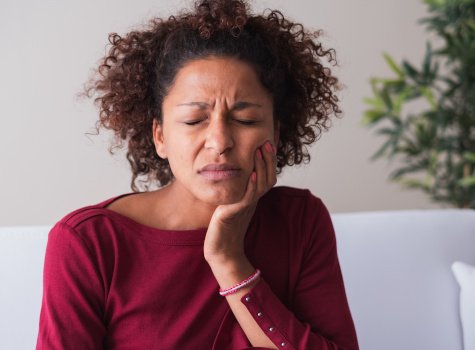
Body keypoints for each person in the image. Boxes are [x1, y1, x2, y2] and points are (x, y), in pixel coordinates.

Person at [36, 0, 359, 349]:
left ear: (276, 134)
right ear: (160, 136)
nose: (219, 142)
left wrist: (229, 260)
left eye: (246, 119)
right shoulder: (89, 244)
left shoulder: (300, 221)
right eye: (194, 120)